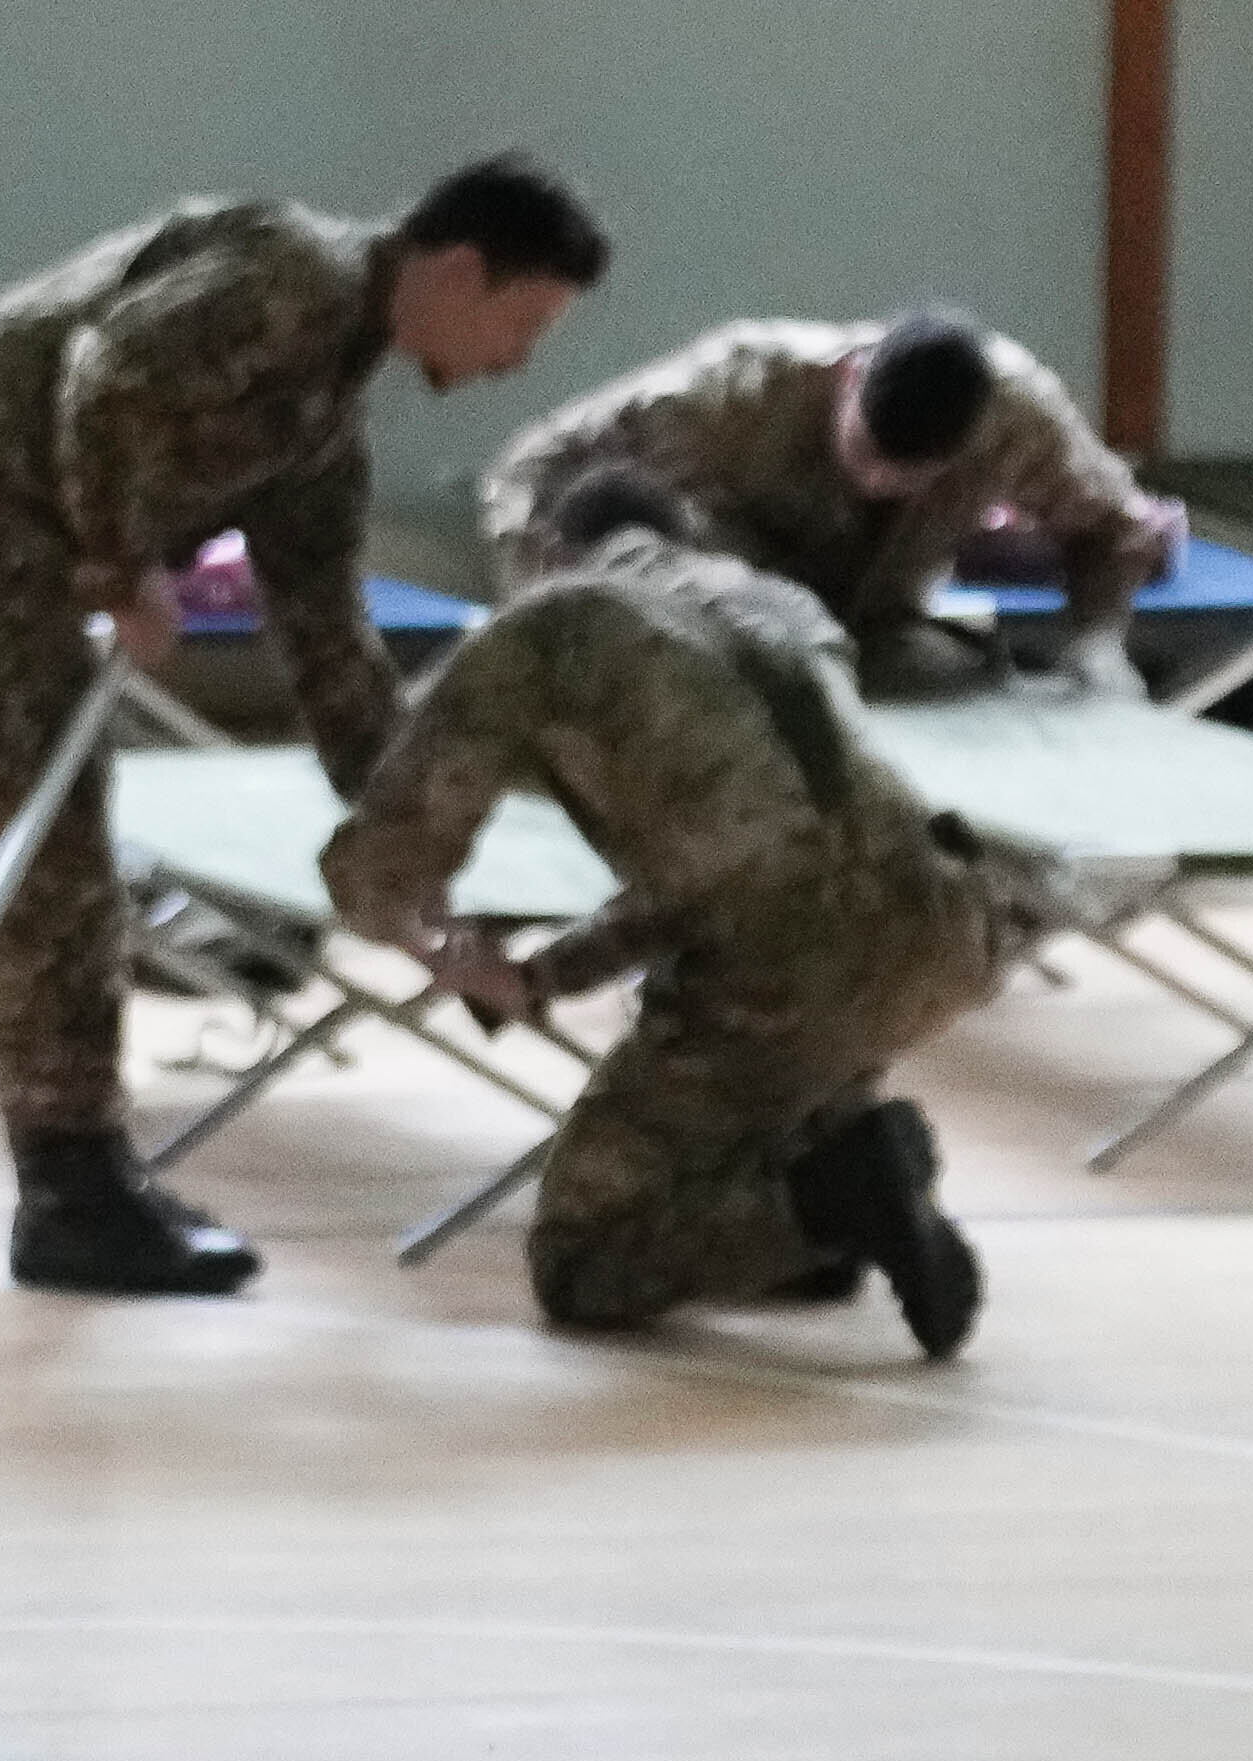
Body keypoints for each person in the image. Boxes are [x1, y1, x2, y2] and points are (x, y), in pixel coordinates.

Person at [0, 153, 613, 1299]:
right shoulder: (288, 277)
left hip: (12, 541)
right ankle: (69, 1191)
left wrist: (406, 844)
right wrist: (120, 564)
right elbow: (106, 372)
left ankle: (86, 1171)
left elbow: (329, 644)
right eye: (523, 322)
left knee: (67, 853)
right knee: (51, 860)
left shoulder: (318, 424)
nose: (517, 363)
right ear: (458, 270)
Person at [326, 462, 1024, 1349]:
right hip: (947, 926)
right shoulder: (780, 606)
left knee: (582, 1261)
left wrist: (447, 955)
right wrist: (550, 973)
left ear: (547, 551)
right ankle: (824, 1191)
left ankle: (825, 1204)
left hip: (785, 965)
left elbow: (383, 867)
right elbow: (741, 858)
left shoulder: (547, 628)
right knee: (757, 1104)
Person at [475, 307, 1169, 695]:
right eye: (865, 455)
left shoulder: (1016, 419)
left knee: (1002, 710)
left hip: (874, 640)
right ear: (848, 377)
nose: (876, 485)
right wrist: (546, 621)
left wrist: (1098, 643)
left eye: (908, 477)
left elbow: (1112, 529)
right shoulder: (735, 390)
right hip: (718, 647)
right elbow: (527, 468)